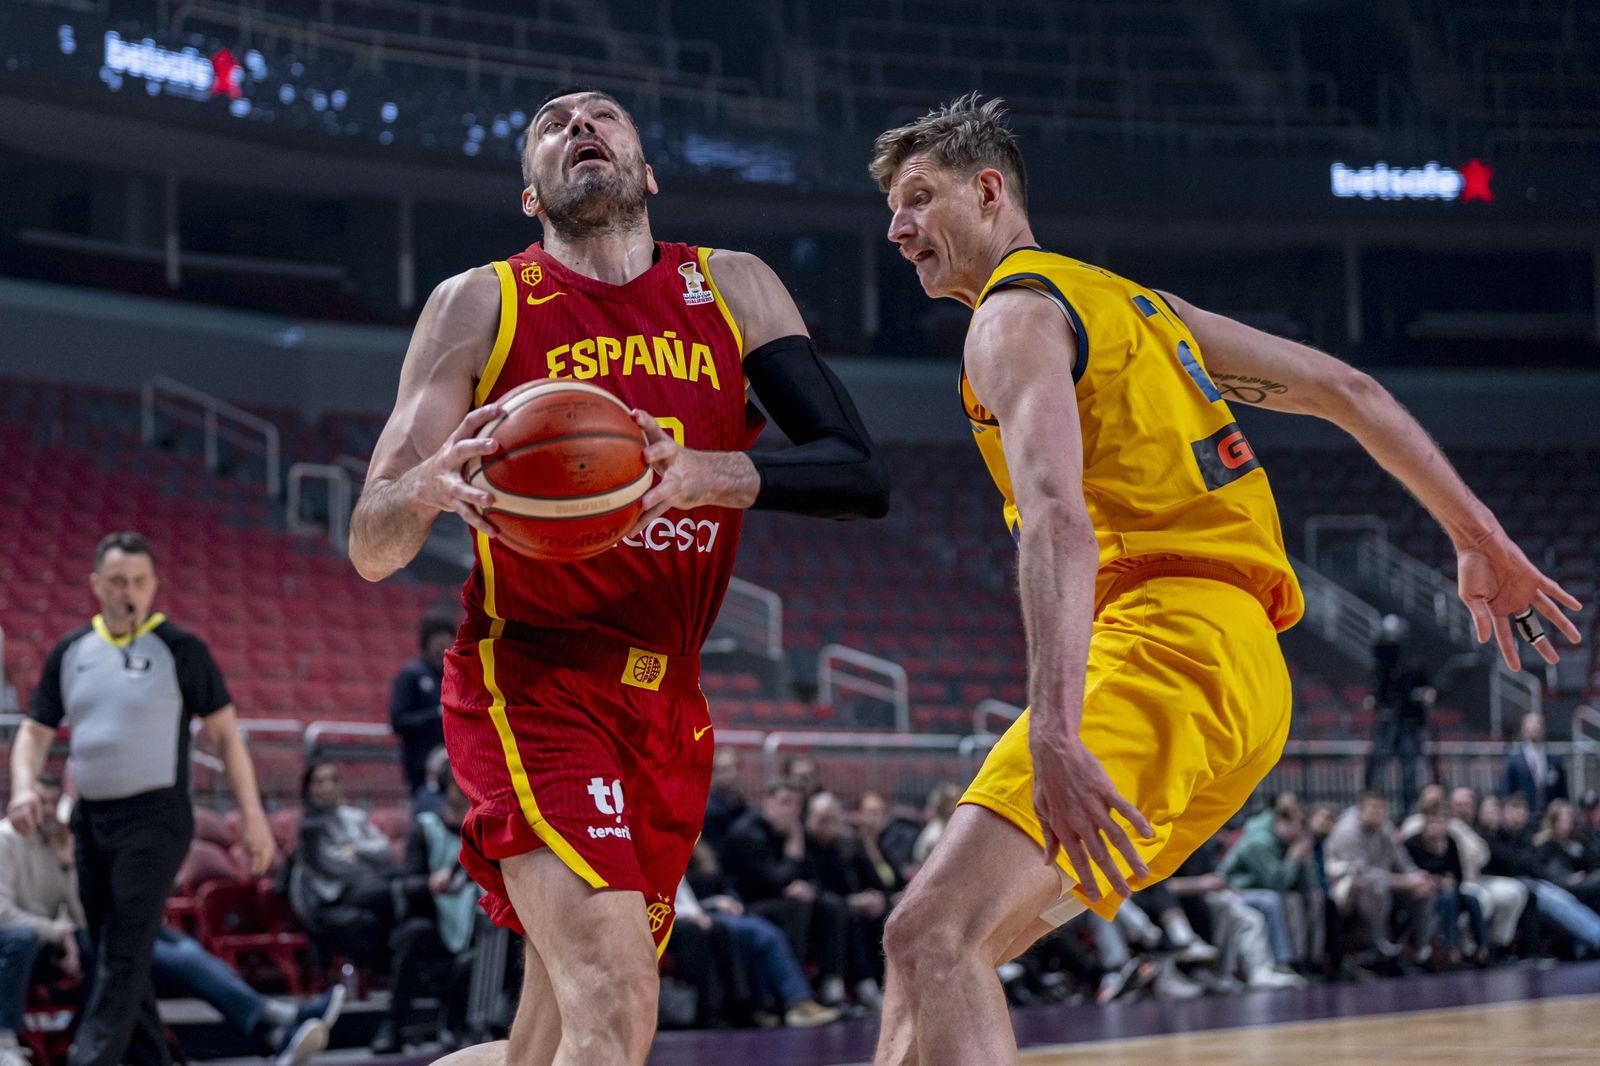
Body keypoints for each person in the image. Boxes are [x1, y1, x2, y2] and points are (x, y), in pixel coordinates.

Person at [864, 94, 1583, 1065]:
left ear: (989, 190)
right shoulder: (1142, 309)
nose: (897, 227)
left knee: (931, 935)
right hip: (1246, 678)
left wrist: (1055, 730)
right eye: (891, 209)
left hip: (1164, 647)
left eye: (918, 197)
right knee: (943, 951)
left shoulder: (1013, 316)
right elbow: (1350, 391)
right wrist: (1479, 536)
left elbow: (1060, 521)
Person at [347, 85, 888, 1066]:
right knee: (619, 996)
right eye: (551, 124)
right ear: (530, 195)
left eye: (600, 116)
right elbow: (370, 545)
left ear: (647, 172)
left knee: (548, 1042)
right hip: (535, 678)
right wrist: (430, 482)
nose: (578, 127)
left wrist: (702, 474)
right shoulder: (480, 302)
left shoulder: (732, 286)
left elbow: (858, 473)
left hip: (668, 701)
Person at [6, 532, 276, 1066]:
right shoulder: (72, 651)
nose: (128, 591)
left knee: (125, 945)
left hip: (156, 818)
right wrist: (21, 788)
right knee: (113, 949)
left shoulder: (181, 649)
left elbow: (226, 736)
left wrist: (253, 817)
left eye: (138, 581)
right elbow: (34, 733)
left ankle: (89, 1060)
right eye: (117, 581)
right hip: (91, 820)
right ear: (96, 585)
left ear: (153, 585)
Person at [0, 775, 341, 1066]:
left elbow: (83, 912)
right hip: (37, 947)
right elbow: (2, 913)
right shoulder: (6, 840)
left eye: (52, 803)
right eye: (40, 802)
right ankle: (275, 1021)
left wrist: (68, 864)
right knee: (149, 951)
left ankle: (275, 1023)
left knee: (177, 943)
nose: (47, 811)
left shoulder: (58, 846)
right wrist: (59, 932)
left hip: (76, 942)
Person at [372, 759, 478, 1054]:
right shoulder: (426, 827)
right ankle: (394, 1026)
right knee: (413, 935)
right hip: (432, 921)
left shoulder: (480, 828)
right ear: (445, 786)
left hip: (475, 921)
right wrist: (431, 883)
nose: (463, 789)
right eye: (456, 783)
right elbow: (405, 883)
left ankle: (472, 1026)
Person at [719, 779, 850, 1006]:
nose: (790, 810)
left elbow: (814, 876)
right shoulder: (747, 832)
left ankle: (831, 986)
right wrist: (795, 840)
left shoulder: (788, 830)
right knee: (796, 908)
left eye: (796, 804)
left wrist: (809, 888)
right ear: (767, 801)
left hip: (780, 899)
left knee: (830, 905)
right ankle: (792, 993)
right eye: (784, 802)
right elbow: (776, 880)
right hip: (745, 904)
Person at [683, 841, 838, 1028]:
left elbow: (725, 886)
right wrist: (712, 903)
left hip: (727, 911)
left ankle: (772, 1005)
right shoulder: (672, 859)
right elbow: (681, 901)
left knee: (773, 929)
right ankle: (798, 1002)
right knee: (767, 936)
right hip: (703, 915)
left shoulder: (706, 857)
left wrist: (732, 901)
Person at [286, 759, 397, 968]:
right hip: (330, 899)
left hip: (363, 886)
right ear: (308, 788)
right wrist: (367, 857)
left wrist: (356, 849)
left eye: (332, 780)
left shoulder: (354, 816)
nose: (327, 787)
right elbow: (335, 866)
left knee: (399, 884)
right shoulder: (309, 827)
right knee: (387, 890)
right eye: (319, 782)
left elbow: (384, 848)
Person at [1325, 794, 1436, 960]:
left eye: (1382, 809)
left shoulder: (1385, 827)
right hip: (1345, 886)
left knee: (1423, 892)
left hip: (1384, 880)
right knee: (1374, 888)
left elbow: (1402, 860)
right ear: (1360, 811)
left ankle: (1417, 950)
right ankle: (1377, 948)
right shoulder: (1347, 832)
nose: (1379, 814)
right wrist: (1404, 881)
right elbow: (1361, 874)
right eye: (1374, 809)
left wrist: (1417, 878)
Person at [1404, 801, 1487, 965]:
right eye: (1433, 821)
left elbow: (1459, 875)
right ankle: (1450, 949)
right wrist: (1437, 881)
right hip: (1427, 892)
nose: (1437, 825)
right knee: (1447, 899)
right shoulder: (1413, 843)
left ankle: (1481, 948)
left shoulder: (1450, 842)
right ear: (1425, 822)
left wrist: (1451, 881)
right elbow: (1412, 872)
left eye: (1441, 821)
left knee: (1472, 900)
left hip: (1450, 890)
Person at [1363, 626, 1434, 815]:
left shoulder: (1415, 665)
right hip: (1387, 722)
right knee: (1378, 764)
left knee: (1408, 767)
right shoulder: (1382, 666)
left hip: (1408, 723)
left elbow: (1428, 690)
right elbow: (1378, 691)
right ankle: (1371, 806)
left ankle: (1408, 808)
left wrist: (1422, 696)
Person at [392, 618, 456, 798]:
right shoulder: (411, 675)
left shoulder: (455, 675)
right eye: (438, 638)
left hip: (454, 765)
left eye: (448, 638)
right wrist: (435, 714)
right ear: (427, 641)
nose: (443, 643)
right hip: (420, 767)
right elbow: (398, 721)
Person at [1534, 799, 1600, 911]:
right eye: (1563, 819)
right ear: (1554, 820)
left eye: (1569, 819)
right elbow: (1545, 871)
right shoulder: (1547, 843)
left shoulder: (1575, 841)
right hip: (1561, 887)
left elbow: (1592, 863)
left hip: (1581, 883)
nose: (1567, 823)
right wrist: (1567, 879)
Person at [1503, 712, 1568, 817]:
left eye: (1538, 724)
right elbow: (1507, 789)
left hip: (1549, 815)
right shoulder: (1514, 760)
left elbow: (1562, 791)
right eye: (1530, 724)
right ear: (1523, 729)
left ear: (1543, 728)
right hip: (1523, 815)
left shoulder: (1554, 760)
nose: (1534, 728)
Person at [701, 748, 748, 849]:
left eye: (736, 767)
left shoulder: (738, 800)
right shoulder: (709, 809)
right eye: (725, 769)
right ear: (714, 773)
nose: (733, 774)